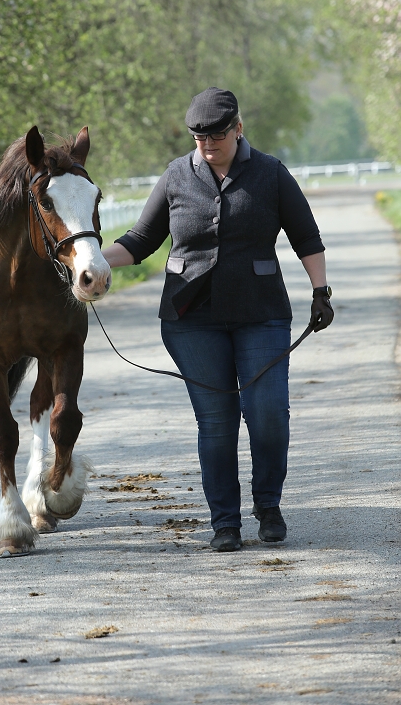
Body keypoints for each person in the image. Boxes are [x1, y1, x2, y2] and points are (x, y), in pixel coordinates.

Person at [102, 87, 333, 552]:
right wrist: (93, 264)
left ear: (238, 129)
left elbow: (305, 235)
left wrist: (320, 289)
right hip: (192, 320)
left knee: (267, 415)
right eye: (199, 137)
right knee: (217, 422)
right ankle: (224, 522)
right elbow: (142, 239)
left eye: (217, 136)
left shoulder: (269, 173)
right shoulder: (175, 176)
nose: (208, 145)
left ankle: (268, 505)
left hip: (261, 313)